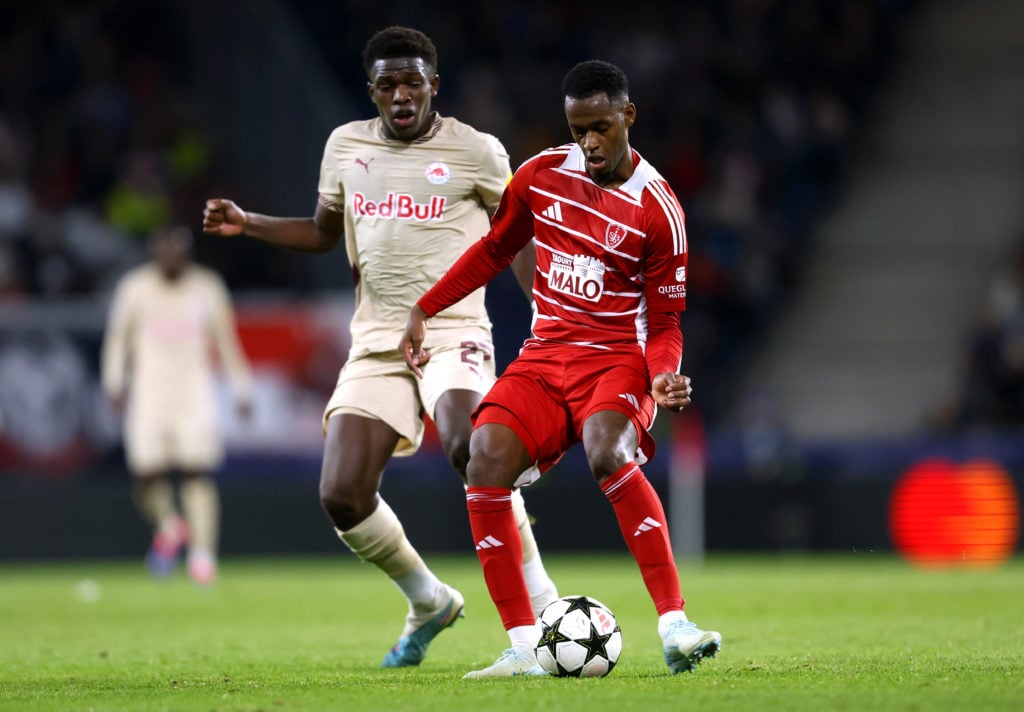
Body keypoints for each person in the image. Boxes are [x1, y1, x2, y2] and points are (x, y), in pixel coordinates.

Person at [201, 26, 558, 668]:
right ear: (372, 90)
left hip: (452, 329)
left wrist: (546, 310)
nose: (400, 95)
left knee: (471, 447)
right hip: (376, 341)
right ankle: (429, 600)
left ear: (433, 87)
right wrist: (247, 221)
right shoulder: (345, 145)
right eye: (388, 84)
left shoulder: (477, 152)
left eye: (412, 82)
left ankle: (542, 609)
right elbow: (320, 233)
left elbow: (519, 237)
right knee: (341, 494)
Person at [401, 59, 722, 678]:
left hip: (617, 360)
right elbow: (496, 249)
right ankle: (523, 647)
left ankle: (674, 624)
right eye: (578, 129)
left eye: (600, 127)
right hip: (546, 354)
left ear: (628, 116)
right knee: (482, 456)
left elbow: (667, 323)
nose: (589, 142)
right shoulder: (541, 176)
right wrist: (424, 308)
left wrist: (662, 373)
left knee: (608, 449)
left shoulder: (660, 210)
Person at [101, 224, 253, 586]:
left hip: (193, 391)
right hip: (149, 391)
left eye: (177, 251)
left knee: (196, 471)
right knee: (145, 471)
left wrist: (241, 387)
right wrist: (114, 381)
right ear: (154, 252)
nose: (171, 258)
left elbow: (226, 340)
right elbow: (118, 339)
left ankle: (202, 556)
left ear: (187, 254)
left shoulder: (207, 287)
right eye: (163, 250)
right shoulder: (134, 288)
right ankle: (169, 526)